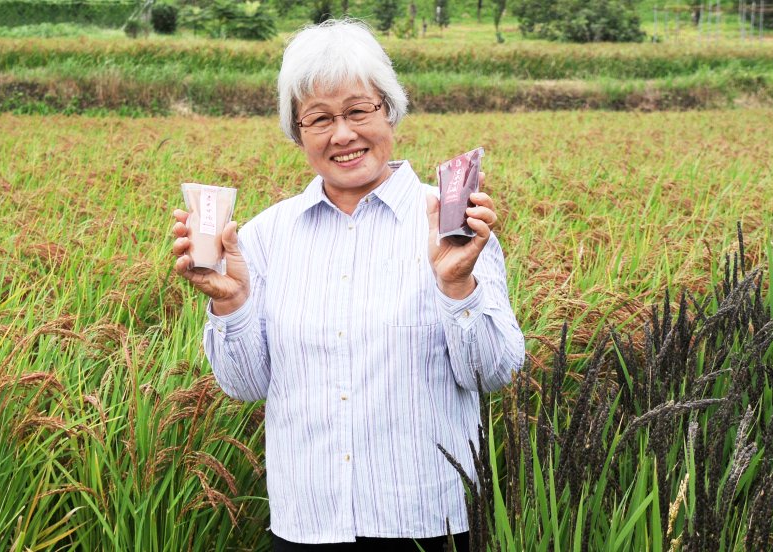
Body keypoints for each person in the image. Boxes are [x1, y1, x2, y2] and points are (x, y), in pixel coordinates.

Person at [171, 19, 525, 551]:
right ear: (298, 131)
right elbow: (245, 387)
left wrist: (458, 287)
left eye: (359, 111)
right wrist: (233, 304)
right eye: (319, 118)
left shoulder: (449, 226)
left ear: (389, 110)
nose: (343, 134)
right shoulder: (265, 236)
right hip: (307, 523)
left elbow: (492, 373)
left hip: (427, 522)